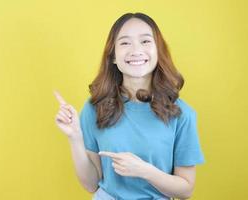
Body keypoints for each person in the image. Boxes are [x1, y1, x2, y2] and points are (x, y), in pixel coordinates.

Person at [54, 12, 205, 200]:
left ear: (158, 51)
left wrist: (144, 171)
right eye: (125, 43)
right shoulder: (95, 107)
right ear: (113, 57)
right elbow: (91, 184)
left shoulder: (181, 114)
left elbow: (186, 190)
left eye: (145, 41)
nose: (136, 50)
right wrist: (75, 137)